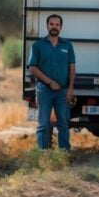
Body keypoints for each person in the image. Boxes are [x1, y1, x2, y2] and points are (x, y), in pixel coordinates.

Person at [28, 14, 75, 151]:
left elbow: (72, 68)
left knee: (63, 124)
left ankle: (63, 155)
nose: (54, 27)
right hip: (44, 90)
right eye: (51, 24)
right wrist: (49, 82)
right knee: (43, 124)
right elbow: (32, 67)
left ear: (61, 27)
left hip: (62, 91)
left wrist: (71, 89)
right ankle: (42, 155)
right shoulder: (38, 45)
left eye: (57, 24)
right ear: (47, 25)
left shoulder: (68, 46)